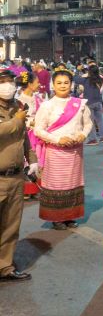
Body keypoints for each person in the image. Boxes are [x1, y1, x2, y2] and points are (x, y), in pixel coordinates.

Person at [34, 66, 92, 230]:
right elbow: (38, 130)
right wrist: (58, 139)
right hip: (55, 152)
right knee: (56, 185)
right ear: (53, 84)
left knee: (73, 183)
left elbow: (88, 124)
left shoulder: (80, 104)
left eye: (66, 82)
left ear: (71, 84)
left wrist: (83, 135)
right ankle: (56, 218)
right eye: (59, 83)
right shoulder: (47, 106)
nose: (63, 86)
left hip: (75, 152)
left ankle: (70, 216)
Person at [0, 69, 38, 282]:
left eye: (10, 82)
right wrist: (17, 121)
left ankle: (5, 266)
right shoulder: (18, 114)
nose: (7, 86)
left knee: (10, 225)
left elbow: (24, 138)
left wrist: (31, 159)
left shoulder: (17, 107)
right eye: (2, 82)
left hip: (15, 177)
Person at [15, 71, 43, 199]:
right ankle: (26, 191)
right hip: (26, 135)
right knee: (26, 162)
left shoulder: (39, 98)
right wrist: (31, 122)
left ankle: (35, 188)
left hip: (38, 135)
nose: (39, 84)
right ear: (30, 84)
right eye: (37, 82)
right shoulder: (19, 101)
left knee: (38, 161)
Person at [75, 64, 103, 145]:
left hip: (89, 102)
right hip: (98, 101)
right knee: (100, 120)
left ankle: (93, 139)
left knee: (90, 121)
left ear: (89, 72)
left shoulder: (86, 80)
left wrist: (78, 70)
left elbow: (75, 79)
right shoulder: (100, 79)